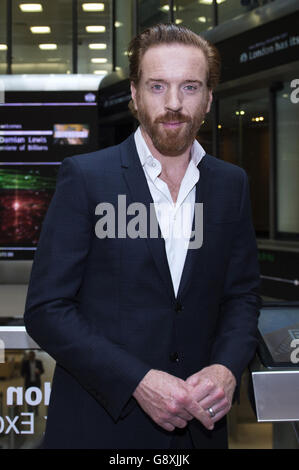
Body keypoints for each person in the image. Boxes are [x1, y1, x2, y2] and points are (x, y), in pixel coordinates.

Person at [24, 23, 261, 449]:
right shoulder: (87, 179)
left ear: (208, 99)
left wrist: (226, 368)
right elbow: (46, 308)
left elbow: (241, 296)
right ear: (135, 95)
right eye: (157, 86)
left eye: (190, 87)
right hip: (100, 428)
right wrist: (137, 381)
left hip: (198, 431)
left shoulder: (231, 185)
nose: (173, 104)